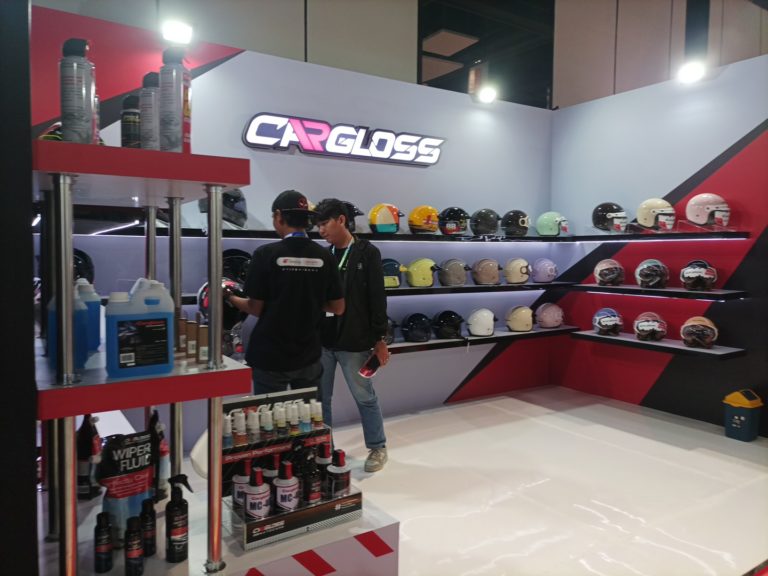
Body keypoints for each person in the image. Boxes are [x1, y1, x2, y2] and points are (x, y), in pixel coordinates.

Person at [228, 190, 345, 394]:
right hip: (308, 355)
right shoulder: (325, 257)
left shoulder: (265, 254)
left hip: (270, 356)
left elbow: (255, 308)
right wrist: (310, 300)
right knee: (309, 413)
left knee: (271, 413)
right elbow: (338, 307)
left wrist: (229, 297)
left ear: (278, 216)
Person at [315, 198, 389, 472]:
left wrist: (380, 340)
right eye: (318, 225)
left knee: (365, 396)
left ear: (341, 220)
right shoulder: (324, 256)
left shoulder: (367, 253)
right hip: (323, 341)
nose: (321, 230)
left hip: (355, 341)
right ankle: (323, 450)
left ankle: (378, 447)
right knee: (320, 401)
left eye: (325, 223)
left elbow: (377, 298)